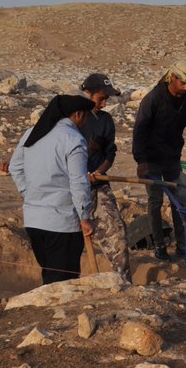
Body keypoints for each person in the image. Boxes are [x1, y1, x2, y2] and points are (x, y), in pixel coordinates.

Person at [132, 60, 186, 261]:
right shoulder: (153, 99)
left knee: (179, 200)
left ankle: (182, 244)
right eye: (183, 83)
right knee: (156, 200)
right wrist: (141, 161)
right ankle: (159, 245)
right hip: (151, 159)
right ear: (172, 77)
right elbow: (139, 131)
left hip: (172, 157)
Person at [9, 95, 96, 285]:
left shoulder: (32, 132)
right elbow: (79, 181)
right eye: (87, 116)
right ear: (78, 114)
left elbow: (15, 167)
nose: (86, 121)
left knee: (50, 275)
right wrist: (85, 216)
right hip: (62, 222)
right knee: (62, 282)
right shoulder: (73, 139)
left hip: (33, 220)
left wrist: (29, 193)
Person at [78, 73, 130, 278]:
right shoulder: (69, 120)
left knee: (117, 234)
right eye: (100, 99)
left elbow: (110, 153)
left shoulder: (106, 120)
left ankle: (122, 282)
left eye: (106, 99)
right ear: (86, 93)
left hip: (98, 185)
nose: (104, 104)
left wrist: (98, 172)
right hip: (69, 190)